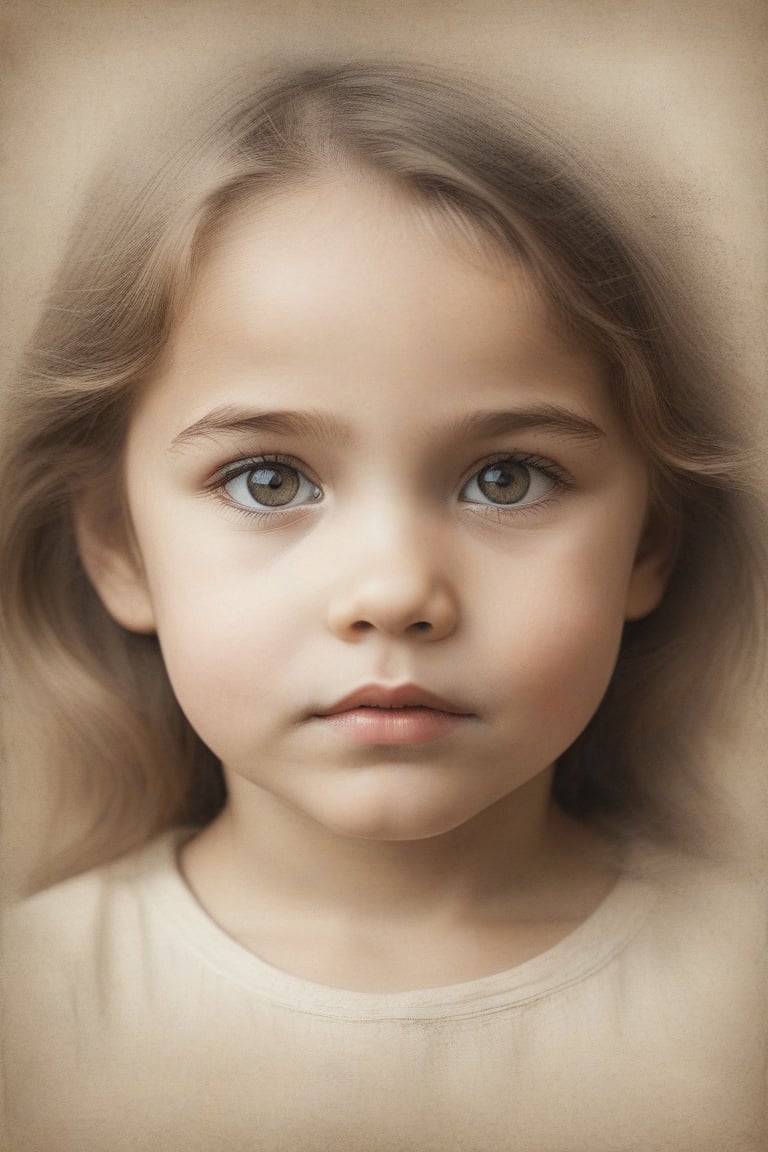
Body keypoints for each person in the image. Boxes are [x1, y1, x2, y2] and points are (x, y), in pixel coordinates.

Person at [0, 62, 766, 1151]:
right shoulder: (31, 1016)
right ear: (119, 546)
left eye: (508, 478)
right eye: (269, 479)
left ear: (649, 543)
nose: (396, 592)